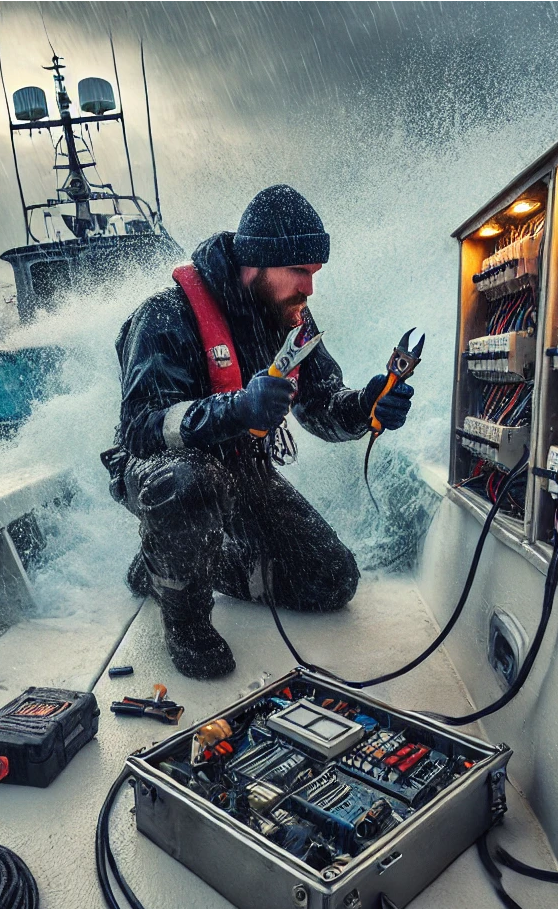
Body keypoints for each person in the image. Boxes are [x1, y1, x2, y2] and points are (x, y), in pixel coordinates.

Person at [102, 185, 413, 679]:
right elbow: (141, 429)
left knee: (332, 581)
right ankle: (185, 621)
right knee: (188, 484)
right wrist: (237, 409)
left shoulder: (293, 320)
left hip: (240, 470)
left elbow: (321, 405)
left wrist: (363, 407)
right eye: (300, 272)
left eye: (314, 274)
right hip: (162, 473)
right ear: (256, 264)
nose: (309, 289)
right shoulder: (165, 315)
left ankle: (171, 567)